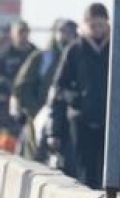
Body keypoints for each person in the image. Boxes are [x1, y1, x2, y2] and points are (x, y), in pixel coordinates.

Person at [46, 3, 120, 189]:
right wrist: (55, 128)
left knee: (112, 172)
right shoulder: (75, 50)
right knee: (84, 171)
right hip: (81, 121)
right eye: (93, 25)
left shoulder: (118, 49)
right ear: (85, 25)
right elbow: (59, 88)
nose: (97, 30)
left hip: (110, 121)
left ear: (108, 25)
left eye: (101, 25)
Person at [12, 19, 77, 161]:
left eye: (70, 32)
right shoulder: (42, 58)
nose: (65, 36)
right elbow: (22, 87)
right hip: (39, 121)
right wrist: (36, 111)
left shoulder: (78, 58)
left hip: (70, 123)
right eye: (62, 31)